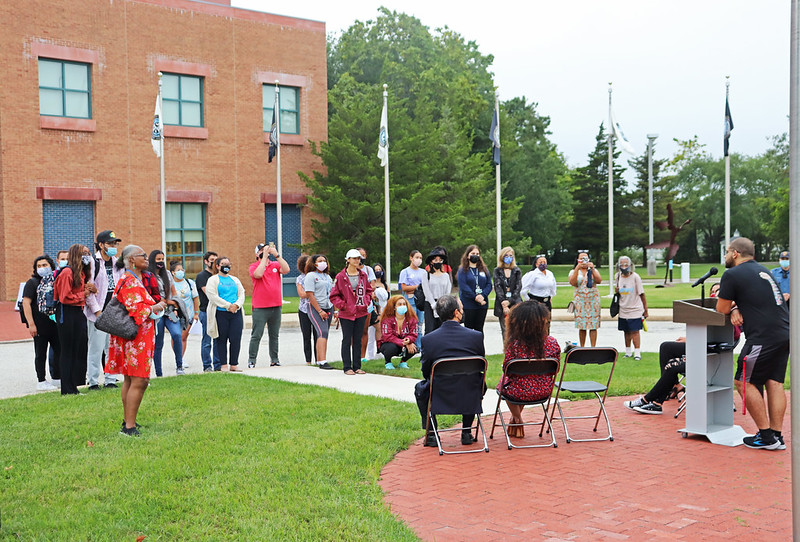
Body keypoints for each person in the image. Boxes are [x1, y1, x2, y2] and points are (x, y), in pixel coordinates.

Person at [716, 237, 790, 450]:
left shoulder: (731, 274)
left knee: (743, 381)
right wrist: (738, 307)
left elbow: (721, 308)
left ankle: (765, 437)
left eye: (727, 252)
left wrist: (732, 308)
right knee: (773, 382)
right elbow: (757, 298)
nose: (725, 256)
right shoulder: (764, 271)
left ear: (736, 253)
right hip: (783, 333)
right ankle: (776, 436)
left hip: (762, 337)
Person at [106, 245, 167, 436]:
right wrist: (156, 306)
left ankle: (128, 421)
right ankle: (129, 427)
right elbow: (137, 310)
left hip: (137, 337)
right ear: (131, 259)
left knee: (130, 379)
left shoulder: (134, 279)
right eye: (143, 256)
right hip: (136, 338)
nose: (147, 259)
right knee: (139, 380)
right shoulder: (130, 280)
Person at [414, 295, 486, 446]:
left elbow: (426, 370)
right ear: (456, 313)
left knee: (421, 388)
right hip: (470, 389)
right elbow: (481, 365)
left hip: (441, 389)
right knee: (472, 380)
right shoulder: (476, 336)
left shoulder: (428, 339)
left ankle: (432, 434)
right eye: (461, 308)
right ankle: (466, 432)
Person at [497, 301, 561, 437]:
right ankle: (516, 418)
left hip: (517, 392)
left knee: (507, 382)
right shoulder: (552, 343)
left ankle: (517, 419)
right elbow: (555, 370)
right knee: (524, 379)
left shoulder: (515, 345)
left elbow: (507, 371)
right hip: (543, 390)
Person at [53, 244, 94, 395]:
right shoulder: (67, 272)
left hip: (78, 312)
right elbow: (64, 297)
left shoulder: (82, 273)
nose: (87, 256)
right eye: (84, 253)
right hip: (67, 313)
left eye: (88, 253)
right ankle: (66, 389)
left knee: (76, 351)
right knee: (67, 351)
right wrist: (83, 295)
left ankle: (73, 387)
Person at [85, 230, 123, 390]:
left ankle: (110, 379)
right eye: (110, 244)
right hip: (97, 314)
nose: (113, 247)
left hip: (113, 312)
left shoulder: (118, 263)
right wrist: (97, 312)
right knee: (96, 348)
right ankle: (93, 381)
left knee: (112, 348)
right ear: (101, 245)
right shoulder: (93, 262)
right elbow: (88, 288)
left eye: (115, 243)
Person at [330, 249, 374, 375]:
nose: (357, 261)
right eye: (354, 258)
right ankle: (347, 367)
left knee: (358, 339)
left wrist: (365, 301)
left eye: (358, 258)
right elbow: (334, 295)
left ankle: (357, 366)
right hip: (346, 313)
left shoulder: (363, 275)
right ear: (348, 260)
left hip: (361, 312)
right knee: (347, 339)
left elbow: (369, 291)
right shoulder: (340, 277)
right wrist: (343, 306)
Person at [21, 254, 61, 391]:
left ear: (51, 266)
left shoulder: (56, 280)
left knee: (59, 351)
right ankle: (41, 380)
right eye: (39, 266)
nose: (42, 268)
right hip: (39, 326)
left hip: (55, 324)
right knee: (40, 353)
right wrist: (31, 324)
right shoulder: (32, 283)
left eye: (45, 265)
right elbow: (26, 303)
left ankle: (57, 377)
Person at [248, 242, 290, 368]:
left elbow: (286, 269)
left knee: (274, 335)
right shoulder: (253, 266)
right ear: (257, 253)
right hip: (260, 307)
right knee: (257, 335)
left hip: (275, 306)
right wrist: (264, 257)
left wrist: (277, 255)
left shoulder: (275, 265)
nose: (264, 251)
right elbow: (258, 274)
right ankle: (252, 359)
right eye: (261, 250)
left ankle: (274, 359)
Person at [205, 256, 246, 372]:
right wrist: (228, 306)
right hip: (220, 313)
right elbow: (212, 296)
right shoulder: (213, 280)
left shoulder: (235, 279)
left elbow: (242, 293)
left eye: (228, 264)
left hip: (235, 313)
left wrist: (236, 305)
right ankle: (223, 365)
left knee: (235, 338)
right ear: (217, 266)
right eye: (223, 264)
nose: (226, 266)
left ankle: (234, 364)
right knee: (221, 339)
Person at [148, 250, 184, 376]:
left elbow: (174, 293)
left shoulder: (167, 274)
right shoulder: (148, 275)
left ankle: (180, 366)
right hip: (157, 312)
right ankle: (159, 373)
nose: (161, 262)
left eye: (162, 259)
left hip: (169, 311)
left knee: (177, 334)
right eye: (158, 259)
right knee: (158, 342)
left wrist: (174, 306)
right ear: (153, 260)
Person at [303, 254, 335, 370]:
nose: (322, 263)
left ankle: (320, 359)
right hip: (315, 307)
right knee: (322, 331)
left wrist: (334, 310)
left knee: (325, 333)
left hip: (328, 306)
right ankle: (322, 361)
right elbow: (310, 294)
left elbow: (332, 294)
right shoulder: (310, 276)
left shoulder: (327, 277)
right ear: (314, 263)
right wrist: (320, 310)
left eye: (324, 260)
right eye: (319, 261)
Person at [614, 256, 648, 360]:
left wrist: (645, 310)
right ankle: (628, 351)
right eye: (622, 264)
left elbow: (642, 294)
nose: (624, 267)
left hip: (635, 309)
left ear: (630, 265)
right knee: (626, 331)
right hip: (623, 308)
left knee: (635, 331)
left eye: (626, 264)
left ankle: (637, 353)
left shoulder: (635, 277)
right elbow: (618, 291)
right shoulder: (618, 276)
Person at [568, 251, 602, 347]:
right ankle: (582, 347)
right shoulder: (574, 271)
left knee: (593, 325)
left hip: (593, 300)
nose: (583, 261)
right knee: (582, 326)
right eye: (581, 258)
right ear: (578, 260)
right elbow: (573, 282)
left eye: (585, 259)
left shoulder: (592, 270)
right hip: (580, 300)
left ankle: (593, 347)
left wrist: (593, 269)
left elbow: (599, 280)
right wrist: (577, 268)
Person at [457, 244, 492, 334]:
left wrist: (483, 295)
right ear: (468, 255)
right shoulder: (462, 270)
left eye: (477, 253)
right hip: (469, 304)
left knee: (479, 329)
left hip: (482, 304)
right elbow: (464, 287)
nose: (475, 255)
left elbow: (489, 284)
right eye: (473, 253)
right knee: (468, 329)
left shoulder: (484, 269)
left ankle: (479, 347)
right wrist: (475, 297)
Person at [378, 295, 418, 370]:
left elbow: (414, 334)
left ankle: (403, 362)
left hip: (404, 343)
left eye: (404, 304)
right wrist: (403, 342)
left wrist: (409, 340)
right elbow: (387, 336)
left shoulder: (412, 318)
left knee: (415, 348)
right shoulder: (387, 319)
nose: (402, 306)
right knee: (391, 348)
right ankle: (388, 362)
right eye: (399, 304)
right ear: (394, 307)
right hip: (388, 343)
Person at [195, 251, 219, 372]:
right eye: (212, 260)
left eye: (216, 260)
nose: (214, 263)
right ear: (206, 262)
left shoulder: (218, 275)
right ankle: (207, 365)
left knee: (218, 339)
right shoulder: (201, 276)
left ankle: (218, 364)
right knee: (207, 340)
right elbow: (210, 294)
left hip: (218, 311)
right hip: (206, 312)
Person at [399, 250, 427, 351]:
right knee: (411, 323)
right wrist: (417, 286)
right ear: (411, 258)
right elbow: (404, 287)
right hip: (410, 300)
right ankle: (410, 344)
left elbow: (426, 286)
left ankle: (419, 346)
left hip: (421, 300)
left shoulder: (423, 272)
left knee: (420, 323)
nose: (418, 260)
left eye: (420, 258)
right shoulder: (405, 272)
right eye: (416, 257)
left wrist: (414, 287)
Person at [421, 247, 453, 334]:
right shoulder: (426, 275)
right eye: (435, 260)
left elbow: (447, 290)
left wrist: (443, 302)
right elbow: (426, 290)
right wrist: (433, 303)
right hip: (430, 304)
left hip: (442, 304)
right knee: (430, 329)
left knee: (442, 329)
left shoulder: (445, 275)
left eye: (440, 260)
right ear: (431, 261)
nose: (438, 262)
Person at [492, 246, 523, 339]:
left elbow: (518, 287)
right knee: (505, 330)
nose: (509, 257)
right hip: (501, 304)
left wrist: (509, 301)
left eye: (511, 255)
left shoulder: (517, 270)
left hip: (515, 302)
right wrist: (504, 303)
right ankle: (507, 351)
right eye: (506, 255)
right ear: (502, 257)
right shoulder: (497, 271)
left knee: (517, 329)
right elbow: (498, 287)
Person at [356, 247, 380, 364]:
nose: (362, 258)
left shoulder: (368, 269)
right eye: (360, 255)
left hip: (367, 304)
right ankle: (354, 354)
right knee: (355, 332)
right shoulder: (349, 270)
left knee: (368, 329)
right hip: (354, 305)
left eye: (364, 255)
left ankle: (364, 356)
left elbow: (373, 285)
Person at [171, 261, 199, 358]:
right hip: (173, 314)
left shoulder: (190, 283)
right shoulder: (170, 284)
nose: (181, 272)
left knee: (183, 336)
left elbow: (195, 298)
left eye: (182, 270)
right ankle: (177, 357)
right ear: (172, 273)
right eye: (178, 270)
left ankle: (180, 359)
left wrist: (196, 313)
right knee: (175, 336)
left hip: (188, 314)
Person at [296, 255, 318, 366]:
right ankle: (308, 361)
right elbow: (302, 294)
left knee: (318, 335)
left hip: (317, 309)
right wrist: (312, 293)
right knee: (306, 336)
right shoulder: (300, 278)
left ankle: (319, 359)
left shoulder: (317, 276)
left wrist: (311, 293)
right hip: (304, 310)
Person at [366, 262, 390, 360]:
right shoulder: (371, 285)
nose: (378, 272)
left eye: (379, 270)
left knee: (383, 332)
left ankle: (380, 352)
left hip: (384, 310)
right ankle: (370, 355)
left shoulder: (385, 284)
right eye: (376, 270)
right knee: (371, 333)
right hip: (374, 310)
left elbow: (388, 298)